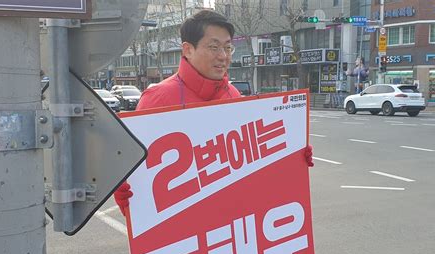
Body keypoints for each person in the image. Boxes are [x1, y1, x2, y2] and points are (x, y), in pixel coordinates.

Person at [114, 9, 313, 215]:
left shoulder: (233, 96)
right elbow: (134, 172)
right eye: (214, 47)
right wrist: (126, 193)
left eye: (228, 48)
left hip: (228, 221)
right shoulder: (157, 99)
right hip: (182, 225)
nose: (223, 56)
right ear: (187, 49)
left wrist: (292, 159)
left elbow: (252, 163)